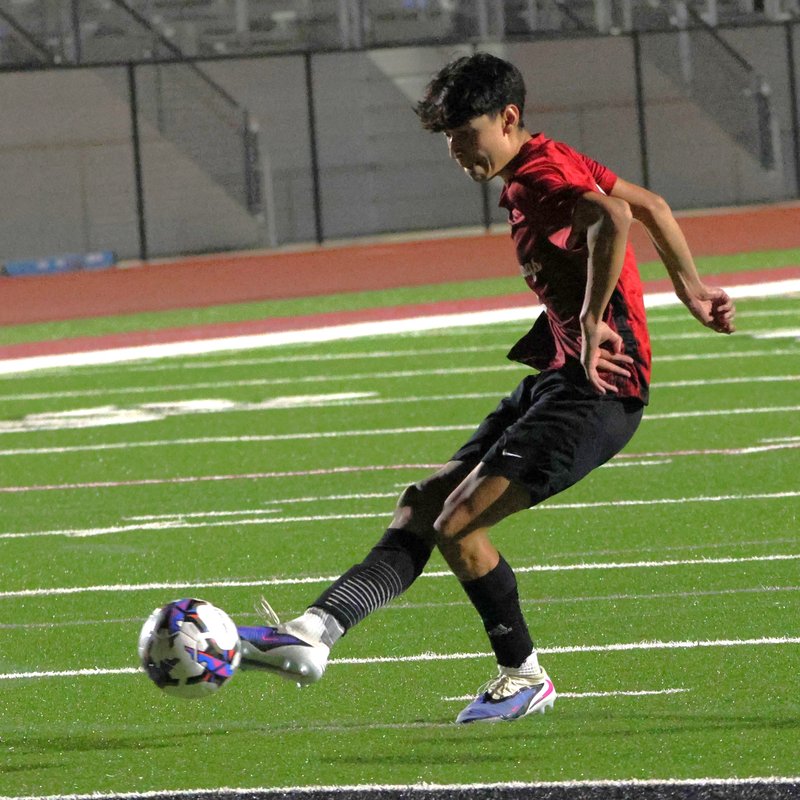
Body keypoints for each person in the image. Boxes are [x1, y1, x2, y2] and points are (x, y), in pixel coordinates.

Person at [237, 53, 736, 724]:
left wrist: (592, 321)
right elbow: (650, 204)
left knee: (458, 523)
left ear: (507, 119)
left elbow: (615, 217)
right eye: (446, 137)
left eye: (464, 133)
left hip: (598, 395)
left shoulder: (540, 176)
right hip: (560, 382)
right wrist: (691, 288)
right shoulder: (543, 159)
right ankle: (315, 631)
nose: (455, 150)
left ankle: (522, 674)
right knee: (423, 504)